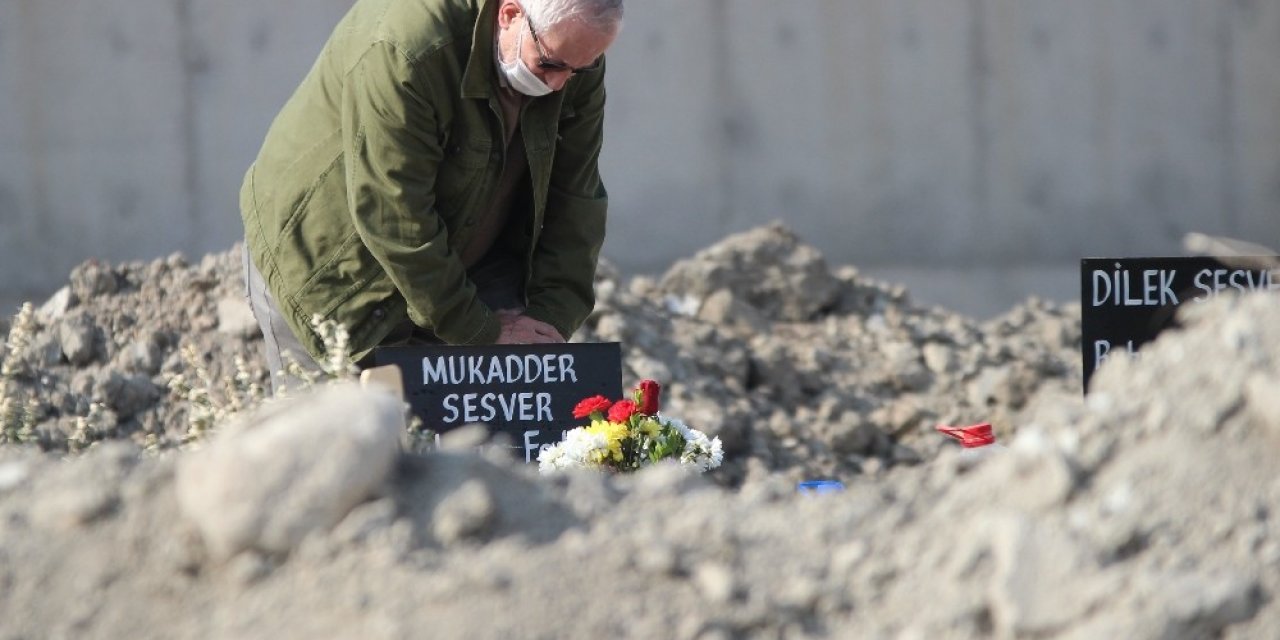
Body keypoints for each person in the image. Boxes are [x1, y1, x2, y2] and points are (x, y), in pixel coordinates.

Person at [239, 0, 623, 391]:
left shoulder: (570, 54)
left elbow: (576, 197)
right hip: (334, 268)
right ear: (509, 15)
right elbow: (393, 213)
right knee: (341, 437)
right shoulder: (408, 47)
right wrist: (478, 329)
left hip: (465, 262)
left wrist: (548, 321)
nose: (559, 84)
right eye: (550, 66)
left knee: (481, 440)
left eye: (580, 70)